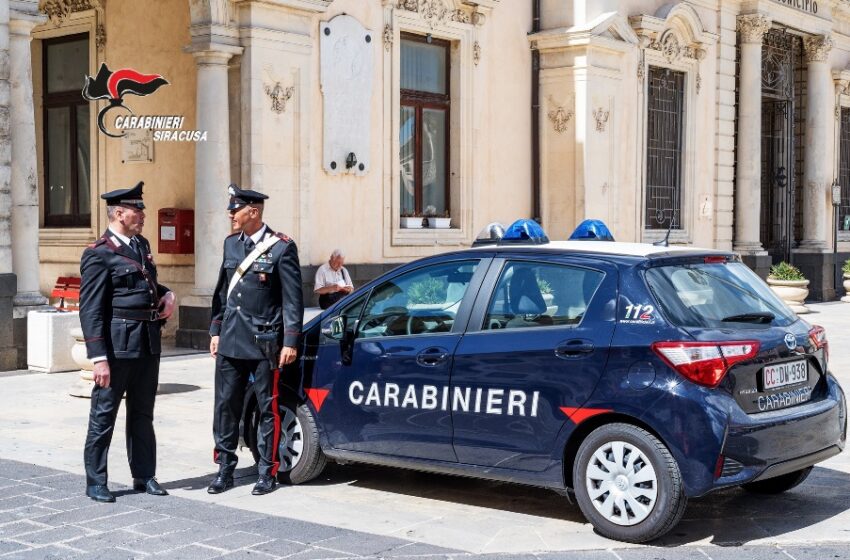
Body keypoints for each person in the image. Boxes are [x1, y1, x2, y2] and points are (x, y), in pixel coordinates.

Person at [79, 181, 176, 503]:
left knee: (142, 413)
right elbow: (91, 308)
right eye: (138, 210)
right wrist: (98, 358)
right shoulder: (99, 254)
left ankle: (144, 475)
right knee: (103, 414)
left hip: (147, 343)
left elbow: (146, 285)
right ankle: (96, 481)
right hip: (117, 346)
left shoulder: (141, 244)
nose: (144, 214)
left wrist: (167, 293)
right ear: (119, 213)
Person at [208, 184, 304, 496]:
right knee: (225, 406)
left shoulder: (281, 248)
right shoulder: (231, 245)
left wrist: (290, 341)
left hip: (265, 342)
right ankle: (225, 467)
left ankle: (267, 470)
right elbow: (223, 294)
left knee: (267, 407)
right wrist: (215, 330)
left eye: (235, 209)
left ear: (254, 211)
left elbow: (292, 300)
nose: (230, 214)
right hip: (232, 339)